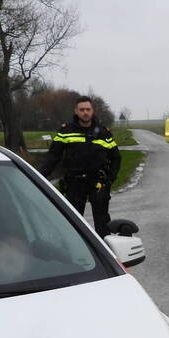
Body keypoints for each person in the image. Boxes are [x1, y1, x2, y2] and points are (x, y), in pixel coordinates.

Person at [41, 96, 121, 237]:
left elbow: (116, 158)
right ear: (76, 111)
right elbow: (53, 156)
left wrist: (110, 179)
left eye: (88, 109)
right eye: (82, 109)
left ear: (92, 111)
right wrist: (40, 176)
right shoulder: (66, 131)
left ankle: (106, 255)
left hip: (98, 183)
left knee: (102, 224)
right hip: (75, 183)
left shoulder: (103, 133)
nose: (85, 112)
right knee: (73, 224)